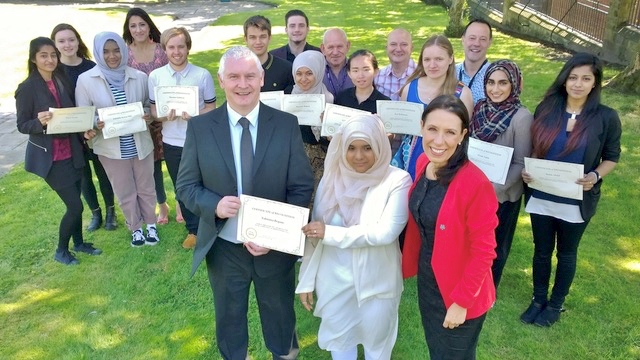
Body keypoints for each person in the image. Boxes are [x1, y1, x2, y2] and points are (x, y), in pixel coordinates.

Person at [175, 46, 314, 360]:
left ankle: (283, 354)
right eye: (234, 76)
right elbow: (185, 185)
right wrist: (214, 204)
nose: (243, 84)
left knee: (280, 316)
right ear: (221, 80)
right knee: (229, 318)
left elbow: (301, 185)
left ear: (262, 78)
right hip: (224, 246)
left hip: (274, 246)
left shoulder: (285, 124)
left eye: (250, 75)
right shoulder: (200, 128)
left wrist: (278, 234)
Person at [296, 114, 411, 360]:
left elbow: (386, 232)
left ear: (380, 145)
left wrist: (331, 233)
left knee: (376, 349)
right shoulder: (331, 178)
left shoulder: (397, 180)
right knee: (340, 344)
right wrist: (306, 279)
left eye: (367, 147)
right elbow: (315, 235)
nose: (359, 156)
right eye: (351, 148)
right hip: (334, 282)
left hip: (377, 284)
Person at [520, 53, 621, 327]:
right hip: (542, 195)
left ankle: (555, 304)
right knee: (541, 251)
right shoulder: (547, 109)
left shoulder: (606, 117)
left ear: (594, 83)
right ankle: (538, 299)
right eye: (573, 77)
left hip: (576, 200)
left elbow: (612, 156)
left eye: (585, 78)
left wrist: (595, 176)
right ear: (565, 81)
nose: (578, 84)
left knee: (566, 253)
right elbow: (534, 148)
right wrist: (529, 170)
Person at [402, 95, 498, 359]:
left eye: (450, 132)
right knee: (438, 351)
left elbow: (484, 252)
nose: (439, 141)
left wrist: (461, 302)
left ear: (463, 135)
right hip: (429, 281)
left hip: (461, 289)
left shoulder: (475, 184)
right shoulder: (424, 163)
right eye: (432, 129)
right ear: (421, 126)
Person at [15, 37, 102, 265]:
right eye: (44, 55)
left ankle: (79, 244)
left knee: (75, 201)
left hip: (72, 152)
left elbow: (71, 116)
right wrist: (39, 122)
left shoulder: (61, 79)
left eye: (53, 55)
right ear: (34, 59)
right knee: (75, 205)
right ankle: (61, 250)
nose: (50, 59)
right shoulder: (26, 88)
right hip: (50, 157)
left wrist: (85, 131)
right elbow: (22, 125)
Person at [76, 31, 159, 248]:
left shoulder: (139, 77)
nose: (112, 56)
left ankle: (151, 224)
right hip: (111, 148)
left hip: (140, 144)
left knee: (146, 187)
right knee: (125, 190)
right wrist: (95, 122)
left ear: (123, 51)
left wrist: (147, 115)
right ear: (98, 53)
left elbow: (147, 107)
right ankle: (136, 228)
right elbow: (84, 114)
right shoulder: (85, 80)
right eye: (105, 51)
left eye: (116, 50)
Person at [148, 27, 217, 250]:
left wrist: (195, 115)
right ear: (164, 49)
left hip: (199, 140)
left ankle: (212, 223)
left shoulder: (202, 75)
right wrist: (162, 115)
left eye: (181, 46)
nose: (176, 51)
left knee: (206, 183)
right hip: (172, 141)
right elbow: (153, 111)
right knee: (183, 188)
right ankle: (193, 230)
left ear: (188, 47)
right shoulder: (156, 76)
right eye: (171, 47)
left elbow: (211, 107)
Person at [470, 60, 532, 290]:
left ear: (514, 85)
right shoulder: (479, 108)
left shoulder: (521, 117)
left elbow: (521, 162)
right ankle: (471, 281)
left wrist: (495, 189)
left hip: (502, 193)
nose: (495, 89)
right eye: (491, 82)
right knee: (473, 241)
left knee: (495, 244)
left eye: (503, 83)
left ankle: (488, 288)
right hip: (474, 189)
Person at [51, 23, 117, 232]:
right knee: (83, 175)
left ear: (78, 41)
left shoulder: (91, 67)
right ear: (55, 44)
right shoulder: (54, 70)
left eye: (71, 39)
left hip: (96, 129)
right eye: (61, 41)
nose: (67, 44)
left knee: (104, 171)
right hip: (70, 133)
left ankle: (111, 212)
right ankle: (95, 213)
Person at [392, 35, 474, 179]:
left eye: (439, 59)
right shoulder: (410, 88)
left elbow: (463, 136)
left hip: (444, 159)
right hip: (409, 157)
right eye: (427, 60)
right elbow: (400, 129)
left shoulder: (462, 94)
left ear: (450, 59)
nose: (432, 65)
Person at [123, 7, 174, 225]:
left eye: (142, 24)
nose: (138, 29)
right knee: (152, 167)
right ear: (128, 29)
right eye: (133, 25)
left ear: (148, 25)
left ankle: (182, 202)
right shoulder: (124, 54)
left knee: (175, 162)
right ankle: (162, 205)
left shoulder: (162, 51)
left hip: (165, 116)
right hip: (141, 120)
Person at [291, 50, 334, 191]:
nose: (303, 79)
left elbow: (332, 139)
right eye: (299, 73)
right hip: (293, 160)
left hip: (321, 164)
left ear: (318, 72)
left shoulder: (328, 99)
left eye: (309, 73)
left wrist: (325, 124)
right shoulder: (287, 96)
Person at [244, 15, 294, 93]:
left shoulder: (286, 69)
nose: (258, 42)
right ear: (246, 39)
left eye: (262, 36)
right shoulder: (238, 69)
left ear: (269, 38)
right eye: (253, 37)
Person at [456, 19, 493, 104]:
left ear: (489, 42)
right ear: (463, 39)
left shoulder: (495, 76)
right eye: (472, 38)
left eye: (483, 39)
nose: (476, 43)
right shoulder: (450, 72)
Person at [375, 28, 416, 101]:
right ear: (386, 48)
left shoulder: (422, 75)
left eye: (404, 44)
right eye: (393, 44)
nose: (398, 49)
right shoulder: (378, 77)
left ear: (411, 48)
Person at [321, 28, 353, 98]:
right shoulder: (316, 72)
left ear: (347, 46)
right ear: (323, 48)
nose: (335, 52)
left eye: (339, 46)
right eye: (330, 47)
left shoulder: (356, 70)